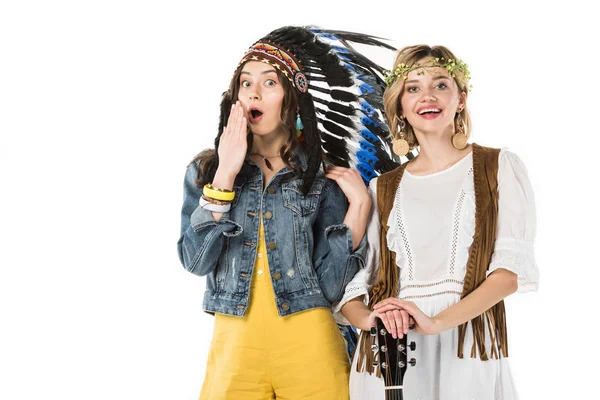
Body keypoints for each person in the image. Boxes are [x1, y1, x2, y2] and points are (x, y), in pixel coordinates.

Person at [177, 26, 396, 400]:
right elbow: (194, 260)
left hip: (310, 343)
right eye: (245, 83)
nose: (254, 93)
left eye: (269, 83)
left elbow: (330, 285)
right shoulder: (207, 171)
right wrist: (226, 175)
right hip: (235, 349)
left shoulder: (322, 177)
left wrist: (359, 207)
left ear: (293, 97)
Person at [336, 45, 539, 400]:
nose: (427, 96)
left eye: (440, 85)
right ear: (400, 106)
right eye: (413, 88)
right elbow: (357, 285)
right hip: (392, 353)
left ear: (461, 99)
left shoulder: (498, 167)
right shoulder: (382, 187)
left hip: (465, 345)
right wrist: (371, 321)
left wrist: (437, 322)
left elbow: (509, 273)